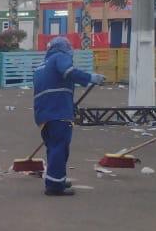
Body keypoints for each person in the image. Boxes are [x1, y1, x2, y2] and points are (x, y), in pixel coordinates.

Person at [32, 37, 104, 196]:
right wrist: (90, 78)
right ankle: (55, 187)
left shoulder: (40, 67)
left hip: (43, 115)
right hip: (58, 112)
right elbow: (68, 72)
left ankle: (56, 179)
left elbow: (52, 87)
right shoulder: (59, 57)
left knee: (53, 148)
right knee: (59, 148)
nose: (70, 52)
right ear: (64, 48)